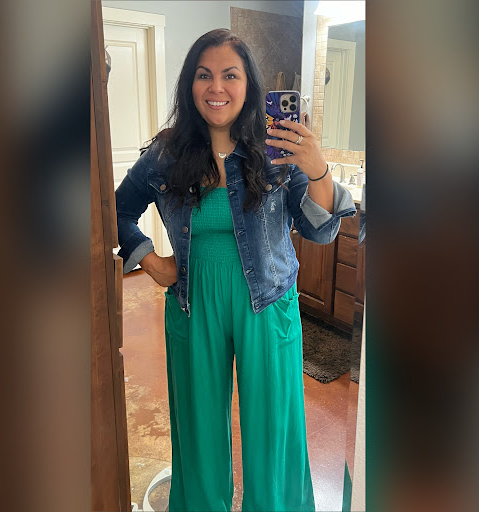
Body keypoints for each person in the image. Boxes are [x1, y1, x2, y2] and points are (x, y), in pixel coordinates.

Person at [116, 28, 356, 512]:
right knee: (199, 427)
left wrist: (317, 169)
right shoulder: (165, 155)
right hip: (193, 302)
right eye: (204, 75)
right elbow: (115, 209)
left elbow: (321, 231)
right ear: (189, 85)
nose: (216, 87)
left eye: (230, 75)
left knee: (274, 431)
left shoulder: (278, 150)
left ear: (249, 85)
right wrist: (149, 259)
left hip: (268, 304)